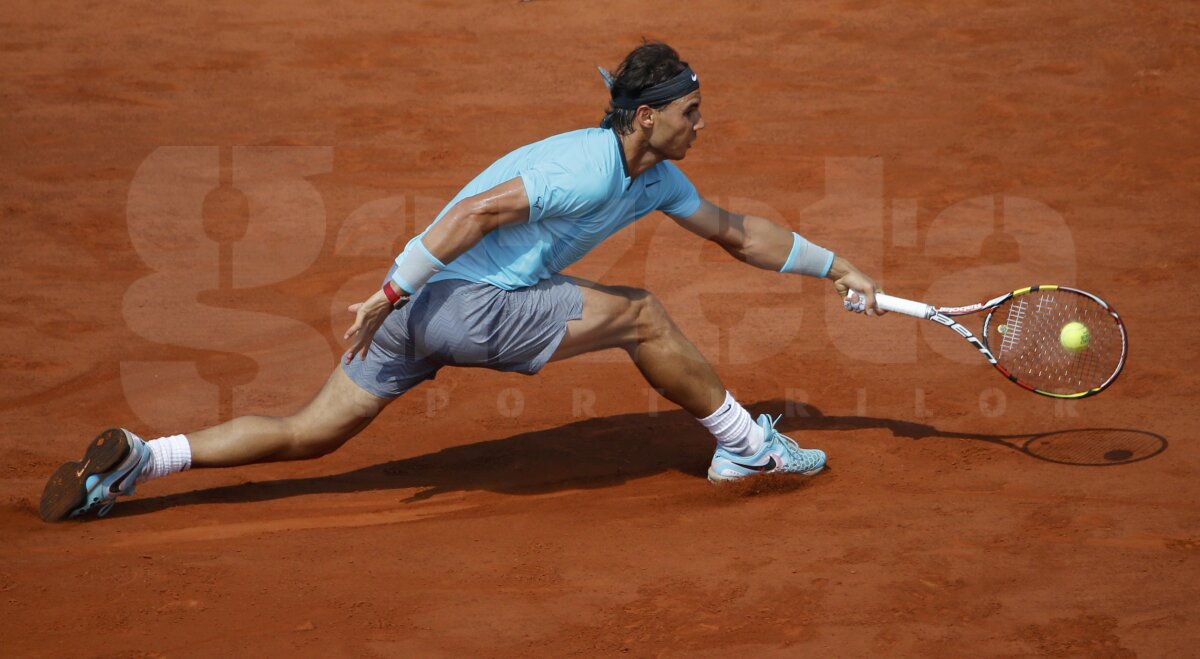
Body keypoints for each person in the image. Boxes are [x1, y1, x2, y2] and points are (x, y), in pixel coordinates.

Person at [39, 42, 884, 523]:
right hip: (450, 302)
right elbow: (477, 212)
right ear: (646, 116)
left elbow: (737, 234)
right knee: (646, 317)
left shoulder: (656, 179)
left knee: (311, 433)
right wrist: (392, 290)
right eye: (692, 113)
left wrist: (836, 264)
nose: (705, 125)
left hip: (423, 311)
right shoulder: (585, 169)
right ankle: (746, 446)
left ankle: (139, 464)